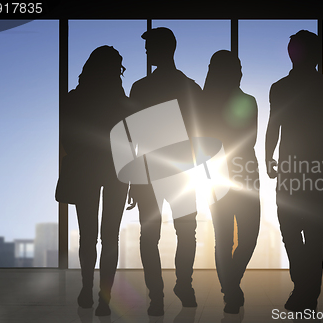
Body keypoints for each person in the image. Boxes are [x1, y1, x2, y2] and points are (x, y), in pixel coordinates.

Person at [265, 30, 323, 312]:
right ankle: (305, 288)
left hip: (312, 168)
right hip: (297, 168)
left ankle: (306, 292)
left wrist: (272, 156)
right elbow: (274, 126)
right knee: (296, 230)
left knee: (311, 232)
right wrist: (268, 157)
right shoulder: (282, 87)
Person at [128, 27, 202, 316]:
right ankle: (183, 285)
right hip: (181, 170)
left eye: (150, 46)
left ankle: (156, 296)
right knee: (186, 232)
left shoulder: (140, 88)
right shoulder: (190, 87)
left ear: (164, 49)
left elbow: (133, 137)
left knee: (150, 236)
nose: (146, 51)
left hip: (151, 171)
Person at [60, 46, 130, 316]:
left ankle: (86, 290)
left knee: (87, 236)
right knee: (110, 237)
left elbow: (67, 138)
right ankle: (105, 298)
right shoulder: (122, 101)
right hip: (116, 172)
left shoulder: (73, 98)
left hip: (85, 170)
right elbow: (129, 142)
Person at [200, 50, 260, 314]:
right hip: (240, 172)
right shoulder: (245, 101)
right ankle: (231, 291)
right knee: (240, 237)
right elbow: (250, 140)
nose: (241, 71)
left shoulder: (205, 104)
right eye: (237, 67)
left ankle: (230, 288)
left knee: (231, 238)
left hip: (226, 174)